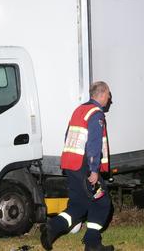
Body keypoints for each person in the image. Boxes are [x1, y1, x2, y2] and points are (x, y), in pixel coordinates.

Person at [41, 81, 114, 251]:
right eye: (109, 94)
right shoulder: (96, 114)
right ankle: (92, 244)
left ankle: (52, 228)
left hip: (71, 165)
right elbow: (94, 144)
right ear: (102, 94)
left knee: (78, 205)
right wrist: (94, 170)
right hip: (84, 167)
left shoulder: (80, 110)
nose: (110, 98)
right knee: (102, 202)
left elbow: (68, 135)